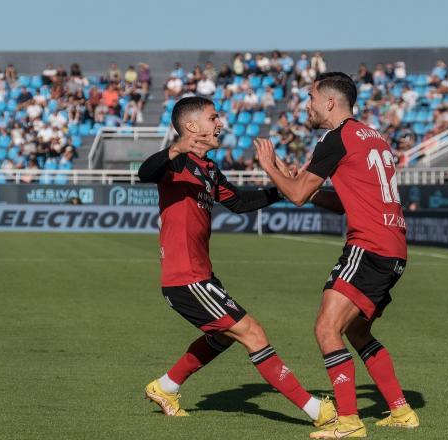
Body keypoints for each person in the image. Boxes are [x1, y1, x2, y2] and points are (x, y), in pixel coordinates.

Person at [138, 96, 336, 430]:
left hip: (202, 275)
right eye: (213, 117)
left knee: (223, 336)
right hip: (185, 277)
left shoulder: (210, 169)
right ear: (191, 127)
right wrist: (175, 148)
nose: (220, 123)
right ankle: (316, 410)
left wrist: (280, 185)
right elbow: (146, 173)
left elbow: (241, 203)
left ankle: (165, 387)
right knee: (253, 332)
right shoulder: (175, 163)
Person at [255, 72, 419, 438]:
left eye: (311, 98)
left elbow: (296, 194)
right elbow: (336, 202)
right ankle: (401, 410)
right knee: (357, 331)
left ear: (329, 102)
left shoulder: (336, 138)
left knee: (327, 328)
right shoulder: (372, 135)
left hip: (370, 245)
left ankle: (348, 420)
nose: (307, 106)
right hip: (393, 246)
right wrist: (298, 185)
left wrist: (271, 170)